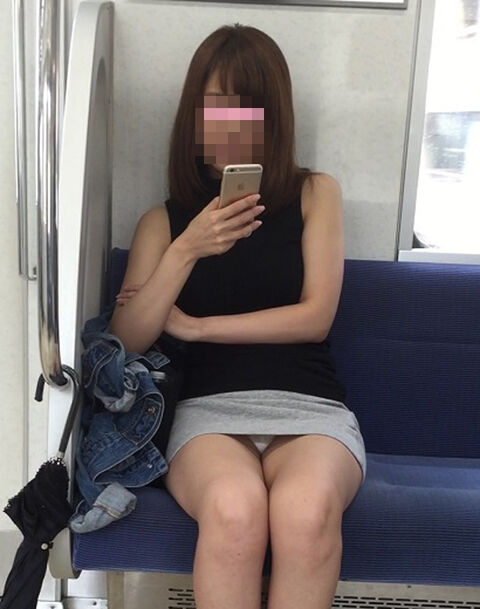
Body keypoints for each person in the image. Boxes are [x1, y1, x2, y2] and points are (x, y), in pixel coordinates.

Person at [109, 23, 367, 609]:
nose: (228, 124)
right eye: (214, 106)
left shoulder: (314, 193)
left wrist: (198, 327)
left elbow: (315, 318)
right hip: (206, 414)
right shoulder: (163, 222)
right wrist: (187, 248)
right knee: (234, 509)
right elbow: (126, 337)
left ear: (273, 116)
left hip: (310, 408)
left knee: (307, 512)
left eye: (246, 108)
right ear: (194, 115)